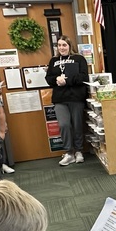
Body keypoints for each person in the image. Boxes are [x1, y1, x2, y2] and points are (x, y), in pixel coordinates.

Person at [45, 36, 88, 166]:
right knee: (64, 125)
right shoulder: (53, 60)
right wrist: (56, 79)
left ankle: (79, 151)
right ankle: (69, 152)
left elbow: (83, 76)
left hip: (76, 98)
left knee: (77, 125)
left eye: (64, 45)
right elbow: (48, 78)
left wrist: (67, 81)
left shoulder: (79, 59)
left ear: (70, 45)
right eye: (59, 45)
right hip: (60, 99)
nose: (61, 48)